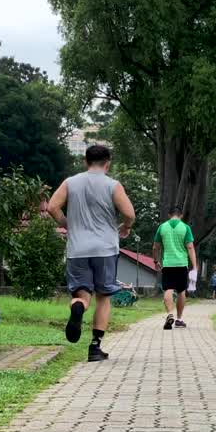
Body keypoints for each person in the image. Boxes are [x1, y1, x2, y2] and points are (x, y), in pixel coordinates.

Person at [46, 144, 136, 362]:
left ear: (85, 161)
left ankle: (78, 308)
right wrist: (125, 227)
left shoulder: (70, 182)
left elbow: (51, 207)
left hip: (77, 250)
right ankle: (95, 348)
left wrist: (68, 224)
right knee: (104, 297)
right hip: (105, 249)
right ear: (108, 163)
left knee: (82, 294)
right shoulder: (113, 185)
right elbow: (129, 213)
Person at [153, 205, 197, 329]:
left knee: (168, 289)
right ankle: (179, 319)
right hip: (181, 264)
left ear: (169, 215)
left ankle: (170, 314)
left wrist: (156, 260)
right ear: (181, 215)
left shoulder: (162, 227)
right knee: (181, 291)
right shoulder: (185, 227)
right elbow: (190, 247)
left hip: (168, 264)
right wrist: (194, 266)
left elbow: (155, 247)